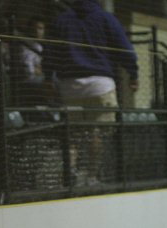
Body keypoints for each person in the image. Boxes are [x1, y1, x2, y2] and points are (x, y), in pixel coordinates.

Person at [44, 0, 138, 185]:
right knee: (96, 133)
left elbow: (50, 51)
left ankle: (70, 175)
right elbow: (124, 49)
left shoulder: (61, 20)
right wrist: (133, 73)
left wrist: (48, 77)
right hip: (100, 84)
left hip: (69, 84)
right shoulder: (106, 18)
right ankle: (92, 176)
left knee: (72, 134)